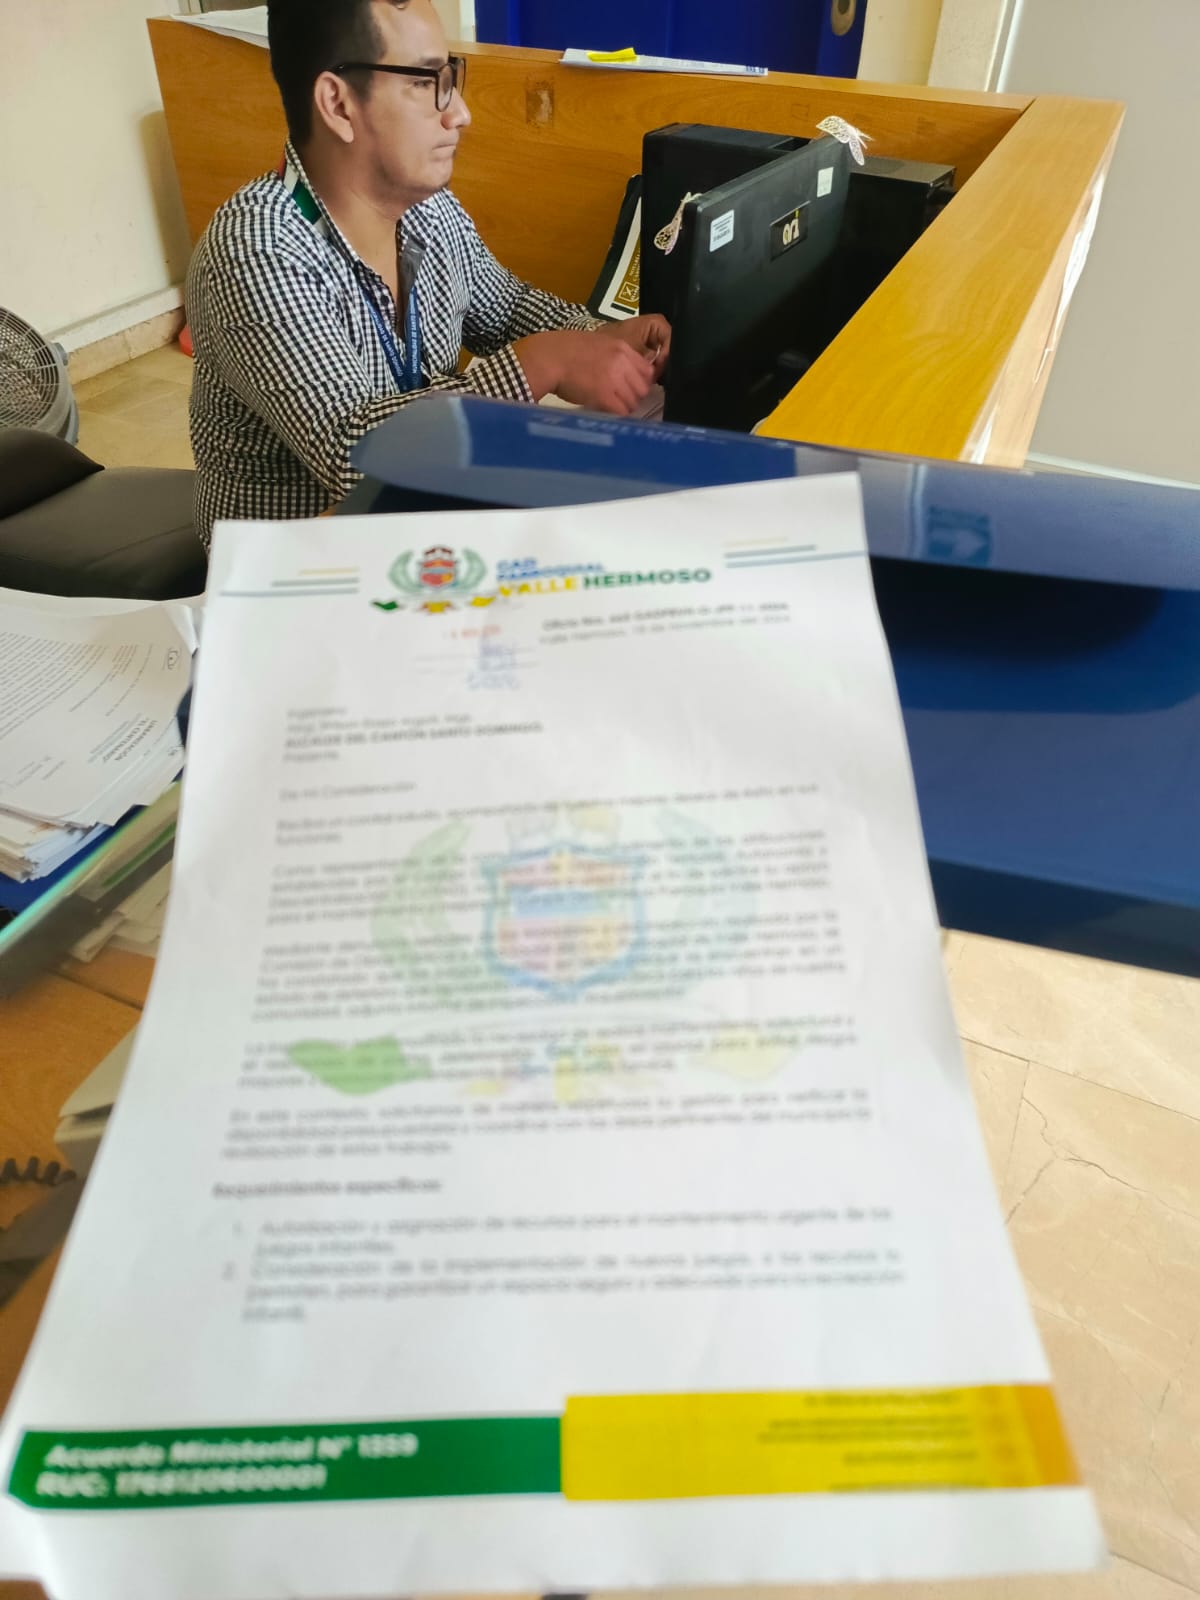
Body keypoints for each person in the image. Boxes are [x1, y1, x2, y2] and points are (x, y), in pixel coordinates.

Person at [186, 0, 671, 546]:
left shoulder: (426, 207)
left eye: (450, 77)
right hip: (294, 563)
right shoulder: (256, 249)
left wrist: (602, 338)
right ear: (339, 105)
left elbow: (505, 307)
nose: (459, 113)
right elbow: (354, 456)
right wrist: (540, 364)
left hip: (415, 520)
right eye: (424, 82)